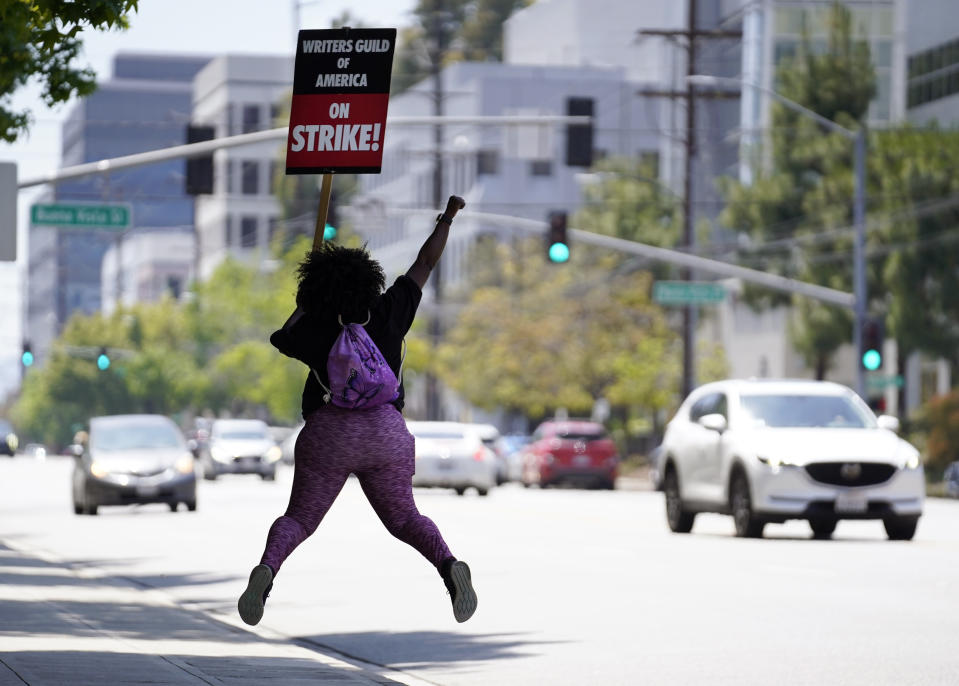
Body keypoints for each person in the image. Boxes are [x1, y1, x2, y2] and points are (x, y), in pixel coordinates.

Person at [238, 195, 477, 626]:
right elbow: (424, 262)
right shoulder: (390, 312)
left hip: (329, 434)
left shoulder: (314, 327)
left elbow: (281, 337)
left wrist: (308, 301)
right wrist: (447, 217)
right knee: (405, 518)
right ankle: (449, 566)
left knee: (299, 519)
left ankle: (266, 570)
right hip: (387, 432)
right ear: (372, 282)